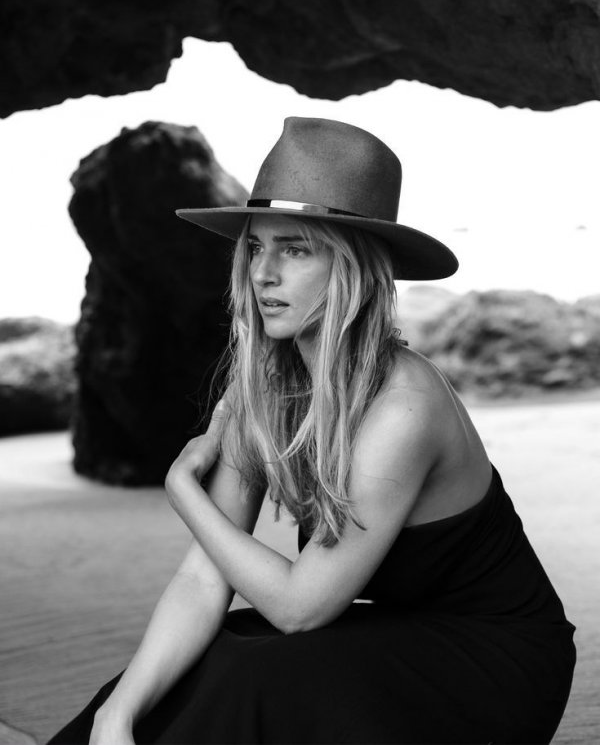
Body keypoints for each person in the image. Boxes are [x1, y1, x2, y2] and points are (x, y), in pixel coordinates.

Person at [48, 117, 576, 745]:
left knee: (257, 676)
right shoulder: (262, 387)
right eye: (255, 247)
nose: (262, 273)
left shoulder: (403, 408)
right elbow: (202, 578)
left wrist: (183, 491)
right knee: (183, 672)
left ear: (353, 267)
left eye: (295, 249)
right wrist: (119, 713)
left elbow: (301, 609)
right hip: (395, 633)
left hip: (494, 664)